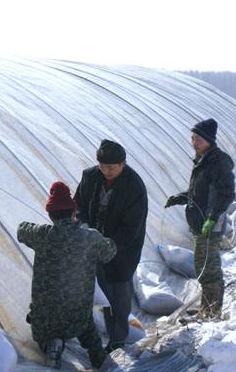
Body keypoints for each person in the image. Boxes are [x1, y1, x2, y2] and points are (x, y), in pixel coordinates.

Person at [18, 181, 117, 369]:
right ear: (74, 212)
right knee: (88, 330)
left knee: (44, 326)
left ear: (50, 214)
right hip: (78, 316)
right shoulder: (90, 237)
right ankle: (100, 359)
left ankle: (52, 345)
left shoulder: (42, 234)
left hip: (44, 317)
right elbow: (109, 252)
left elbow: (21, 230)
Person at [74, 139, 148, 352]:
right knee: (100, 289)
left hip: (122, 248)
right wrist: (85, 226)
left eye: (111, 167)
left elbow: (132, 227)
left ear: (123, 164)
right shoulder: (90, 177)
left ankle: (117, 339)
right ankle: (99, 333)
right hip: (92, 243)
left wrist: (108, 244)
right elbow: (78, 204)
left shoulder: (134, 185)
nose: (106, 171)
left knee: (118, 291)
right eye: (103, 166)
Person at [164, 118, 234, 318]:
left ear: (210, 140)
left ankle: (212, 312)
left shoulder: (218, 162)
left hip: (210, 224)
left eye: (199, 140)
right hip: (200, 223)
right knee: (202, 267)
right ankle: (207, 307)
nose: (195, 143)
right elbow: (200, 192)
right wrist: (181, 197)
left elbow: (226, 192)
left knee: (209, 269)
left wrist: (212, 218)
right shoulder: (203, 160)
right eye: (193, 138)